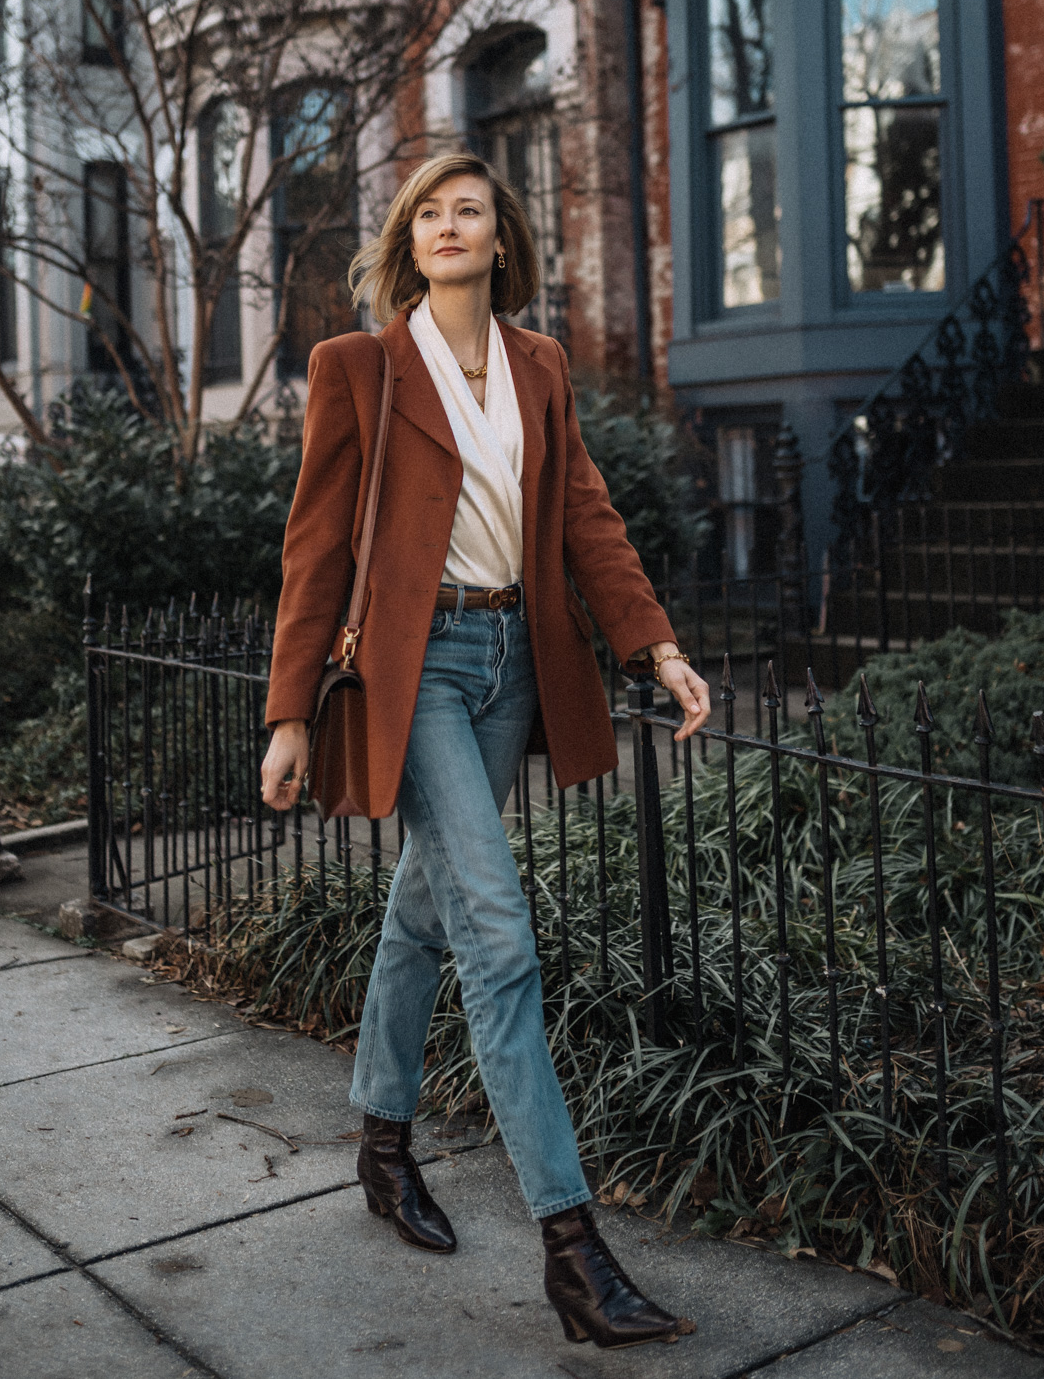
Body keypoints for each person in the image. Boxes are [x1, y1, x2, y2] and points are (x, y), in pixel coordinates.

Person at [260, 151, 709, 1350]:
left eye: (469, 210)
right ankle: (574, 1252)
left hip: (517, 662)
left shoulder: (540, 366)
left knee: (423, 909)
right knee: (498, 938)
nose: (448, 226)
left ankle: (382, 1141)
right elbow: (313, 551)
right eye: (427, 213)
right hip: (418, 676)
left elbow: (582, 517)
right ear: (407, 243)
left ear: (499, 240)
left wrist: (654, 648)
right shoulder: (357, 368)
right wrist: (291, 711)